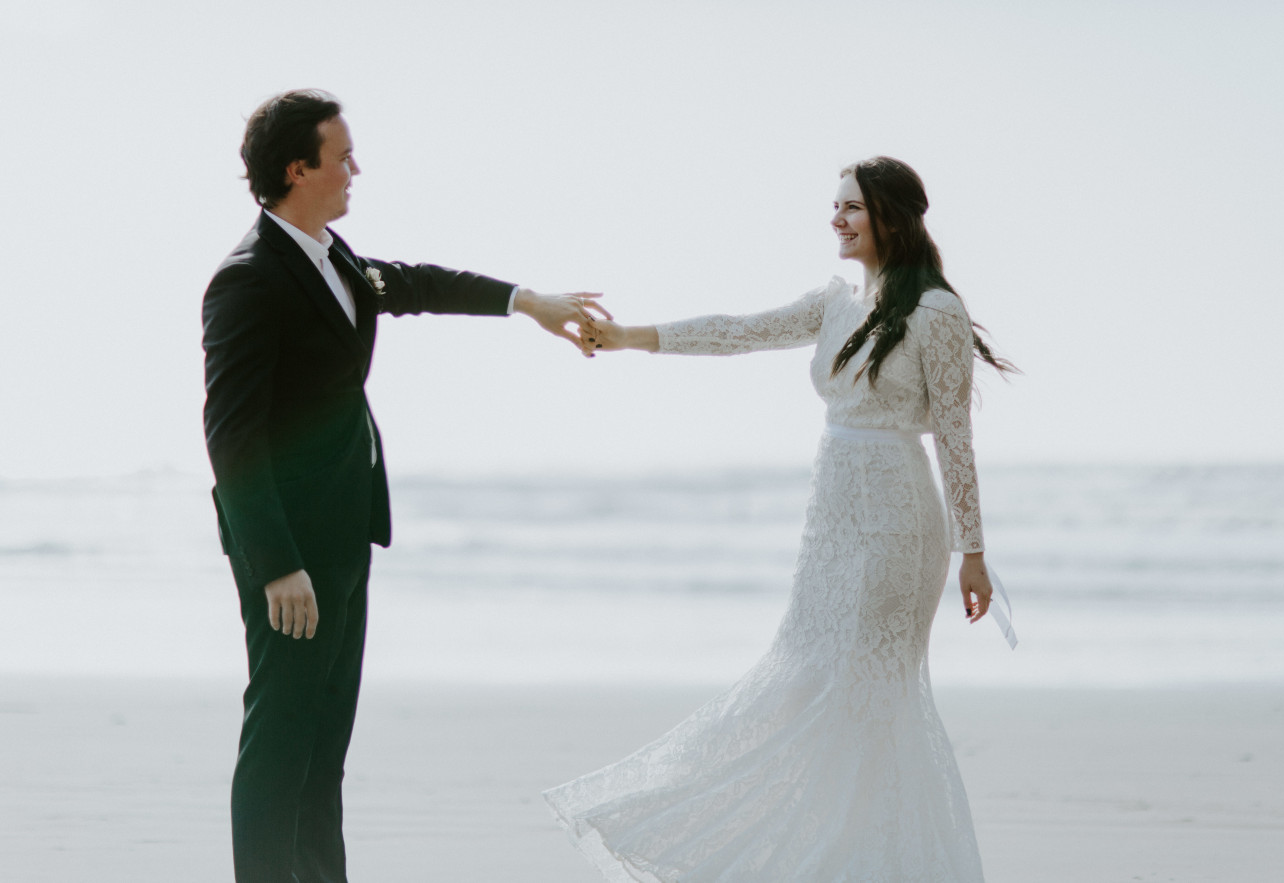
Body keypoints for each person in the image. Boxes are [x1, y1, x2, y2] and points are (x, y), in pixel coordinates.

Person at [545, 156, 1016, 881]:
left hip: (897, 517)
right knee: (805, 677)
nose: (836, 219)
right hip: (830, 518)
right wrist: (627, 336)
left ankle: (877, 860)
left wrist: (972, 551)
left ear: (891, 214)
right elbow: (738, 331)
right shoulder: (834, 302)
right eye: (834, 207)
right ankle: (831, 853)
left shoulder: (935, 313)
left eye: (851, 207)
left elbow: (954, 435)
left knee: (868, 691)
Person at [201, 89, 606, 883]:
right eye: (342, 155)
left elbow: (417, 283)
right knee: (282, 738)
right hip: (289, 550)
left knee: (323, 748)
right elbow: (231, 434)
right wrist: (278, 561)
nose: (356, 167)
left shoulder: (334, 256)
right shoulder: (248, 279)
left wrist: (526, 302)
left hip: (346, 530)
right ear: (297, 168)